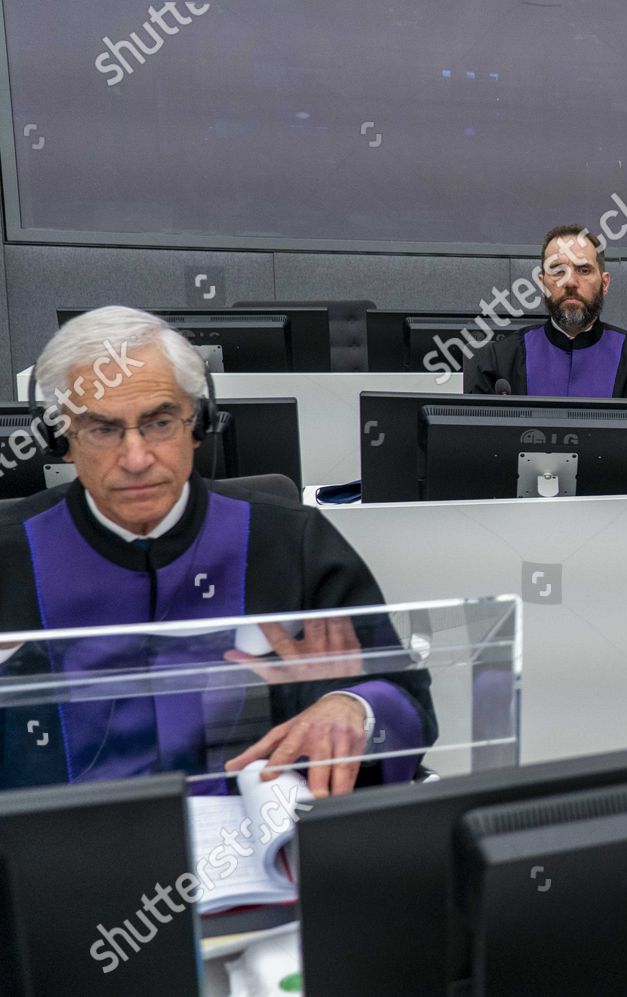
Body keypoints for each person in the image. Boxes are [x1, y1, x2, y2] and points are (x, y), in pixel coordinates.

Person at [0, 307, 437, 796]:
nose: (137, 458)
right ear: (61, 438)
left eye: (160, 422)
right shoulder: (10, 553)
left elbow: (403, 700)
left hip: (258, 841)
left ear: (199, 423)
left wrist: (353, 705)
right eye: (103, 430)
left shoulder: (292, 542)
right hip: (63, 848)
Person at [464, 225, 627, 398]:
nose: (570, 282)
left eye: (584, 270)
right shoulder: (500, 360)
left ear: (605, 283)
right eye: (557, 271)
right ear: (542, 283)